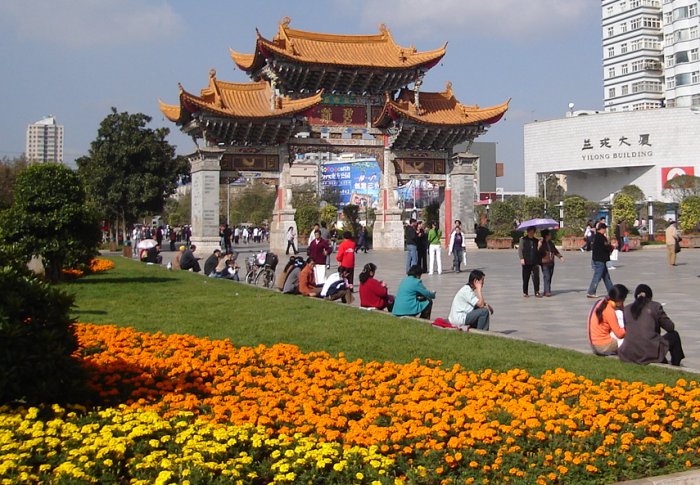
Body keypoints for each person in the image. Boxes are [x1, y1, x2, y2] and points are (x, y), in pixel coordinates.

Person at [618, 284, 685, 366]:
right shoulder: (655, 306)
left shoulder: (627, 309)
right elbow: (670, 327)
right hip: (648, 350)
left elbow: (627, 329)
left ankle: (662, 359)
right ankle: (675, 364)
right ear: (650, 297)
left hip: (629, 352)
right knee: (674, 335)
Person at [587, 284, 628, 356]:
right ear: (620, 300)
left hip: (594, 344)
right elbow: (620, 334)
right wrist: (630, 328)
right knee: (629, 339)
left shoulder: (601, 302)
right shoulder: (609, 310)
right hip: (602, 347)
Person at [587, 223, 614, 298]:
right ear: (602, 229)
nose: (605, 230)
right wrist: (612, 247)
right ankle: (591, 291)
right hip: (600, 260)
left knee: (606, 276)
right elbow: (606, 247)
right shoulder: (601, 237)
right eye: (604, 229)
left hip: (596, 258)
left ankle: (611, 291)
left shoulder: (595, 236)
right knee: (597, 276)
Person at [538, 229, 564, 297]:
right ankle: (547, 291)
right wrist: (539, 246)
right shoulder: (541, 243)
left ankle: (546, 290)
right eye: (549, 234)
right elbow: (538, 252)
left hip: (551, 262)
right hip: (544, 262)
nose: (551, 235)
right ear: (546, 235)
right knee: (547, 276)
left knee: (550, 277)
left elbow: (555, 250)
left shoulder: (550, 243)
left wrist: (560, 257)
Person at [518, 226, 541, 297]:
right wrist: (521, 258)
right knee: (526, 277)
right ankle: (525, 292)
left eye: (533, 231)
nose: (531, 233)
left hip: (535, 261)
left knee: (536, 277)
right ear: (527, 232)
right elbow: (520, 250)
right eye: (530, 231)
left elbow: (538, 251)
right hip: (526, 261)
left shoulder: (536, 240)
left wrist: (539, 245)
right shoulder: (523, 240)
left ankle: (537, 291)